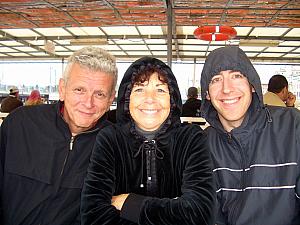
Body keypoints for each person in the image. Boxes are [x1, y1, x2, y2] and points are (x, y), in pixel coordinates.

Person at [81, 57, 215, 225]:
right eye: (139, 90)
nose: (150, 99)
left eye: (160, 90)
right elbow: (93, 215)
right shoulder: (110, 139)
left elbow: (200, 213)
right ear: (127, 98)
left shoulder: (191, 139)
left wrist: (130, 204)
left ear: (172, 99)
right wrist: (174, 210)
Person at [0, 46, 117, 225]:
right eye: (79, 90)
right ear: (62, 89)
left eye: (100, 94)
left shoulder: (115, 144)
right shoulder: (20, 124)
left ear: (111, 99)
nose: (88, 103)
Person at [200, 46, 300, 225]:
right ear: (207, 93)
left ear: (252, 85)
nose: (227, 89)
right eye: (216, 79)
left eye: (236, 76)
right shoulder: (203, 145)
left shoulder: (292, 126)